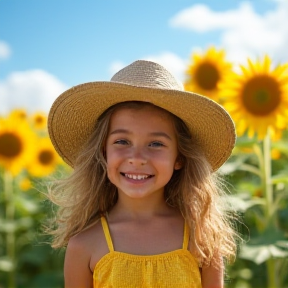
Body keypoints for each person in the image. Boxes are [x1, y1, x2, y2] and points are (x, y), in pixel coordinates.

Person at [47, 60, 238, 288]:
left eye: (156, 144)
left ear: (179, 157)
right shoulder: (84, 245)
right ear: (103, 152)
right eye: (122, 141)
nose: (136, 158)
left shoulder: (202, 239)